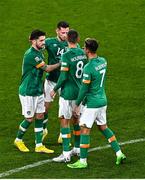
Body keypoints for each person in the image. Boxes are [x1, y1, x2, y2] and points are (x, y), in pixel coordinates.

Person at [67, 38, 126, 168]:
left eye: (84, 47)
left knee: (84, 130)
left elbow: (83, 89)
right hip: (102, 101)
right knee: (103, 127)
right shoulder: (103, 61)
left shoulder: (88, 68)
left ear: (87, 50)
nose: (83, 48)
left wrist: (77, 104)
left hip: (92, 104)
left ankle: (82, 161)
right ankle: (119, 153)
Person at [14, 29, 60, 153]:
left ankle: (39, 145)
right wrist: (61, 63)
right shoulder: (31, 55)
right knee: (29, 119)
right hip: (28, 91)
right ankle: (18, 140)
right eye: (41, 40)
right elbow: (47, 69)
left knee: (40, 115)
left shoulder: (39, 52)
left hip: (38, 90)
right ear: (34, 41)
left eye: (44, 40)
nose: (44, 42)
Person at [50, 29, 87, 162]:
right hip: (79, 93)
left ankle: (66, 154)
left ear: (67, 39)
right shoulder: (83, 53)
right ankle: (77, 148)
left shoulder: (66, 55)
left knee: (64, 121)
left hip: (67, 93)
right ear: (78, 39)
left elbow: (63, 76)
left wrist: (54, 89)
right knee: (76, 120)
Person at [43, 21, 70, 143]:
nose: (65, 35)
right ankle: (43, 130)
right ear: (57, 31)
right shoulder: (49, 42)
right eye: (63, 32)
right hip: (51, 80)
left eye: (67, 32)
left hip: (64, 82)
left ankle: (62, 135)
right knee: (44, 109)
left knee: (65, 110)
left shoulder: (71, 44)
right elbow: (38, 47)